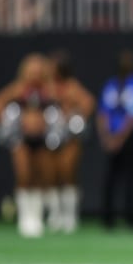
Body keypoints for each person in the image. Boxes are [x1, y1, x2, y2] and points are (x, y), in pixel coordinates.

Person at [0, 53, 57, 237]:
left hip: (42, 139)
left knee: (40, 176)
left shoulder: (49, 90)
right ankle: (25, 217)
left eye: (38, 70)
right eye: (31, 70)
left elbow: (60, 106)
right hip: (21, 138)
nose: (35, 74)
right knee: (24, 174)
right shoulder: (18, 89)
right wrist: (10, 122)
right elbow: (0, 102)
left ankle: (36, 217)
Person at [43, 50, 96, 233]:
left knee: (67, 173)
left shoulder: (73, 86)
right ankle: (54, 214)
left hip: (69, 135)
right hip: (50, 134)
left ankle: (70, 215)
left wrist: (73, 116)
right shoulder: (46, 86)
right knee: (51, 174)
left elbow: (88, 103)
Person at [97, 50, 133, 230]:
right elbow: (102, 112)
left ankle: (130, 216)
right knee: (111, 179)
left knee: (129, 178)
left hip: (128, 137)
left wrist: (117, 138)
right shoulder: (111, 85)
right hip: (114, 137)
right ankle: (108, 217)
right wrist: (106, 137)